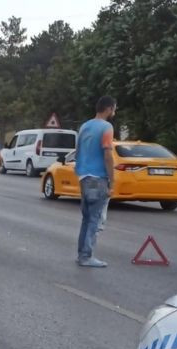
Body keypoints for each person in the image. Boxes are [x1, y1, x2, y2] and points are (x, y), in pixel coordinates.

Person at [74, 96, 117, 268]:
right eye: (114, 108)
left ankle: (81, 254)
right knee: (95, 219)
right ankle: (87, 256)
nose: (115, 111)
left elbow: (77, 152)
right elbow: (107, 155)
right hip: (98, 178)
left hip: (83, 177)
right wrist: (112, 181)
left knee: (86, 218)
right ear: (109, 109)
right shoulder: (107, 127)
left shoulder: (85, 126)